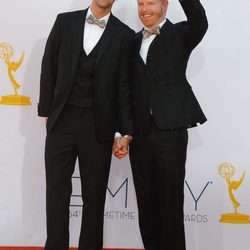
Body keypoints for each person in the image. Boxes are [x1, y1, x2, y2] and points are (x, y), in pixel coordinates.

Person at [38, 0, 134, 249]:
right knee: (56, 194)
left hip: (98, 128)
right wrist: (47, 111)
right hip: (62, 123)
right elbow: (48, 64)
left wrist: (123, 131)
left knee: (94, 197)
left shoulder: (124, 35)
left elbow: (123, 87)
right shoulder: (64, 22)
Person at [114, 0, 208, 249]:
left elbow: (201, 20)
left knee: (170, 205)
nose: (145, 9)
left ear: (165, 4)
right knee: (146, 206)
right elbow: (124, 90)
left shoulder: (181, 33)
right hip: (140, 134)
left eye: (151, 3)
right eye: (140, 4)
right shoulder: (132, 41)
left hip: (170, 131)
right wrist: (123, 131)